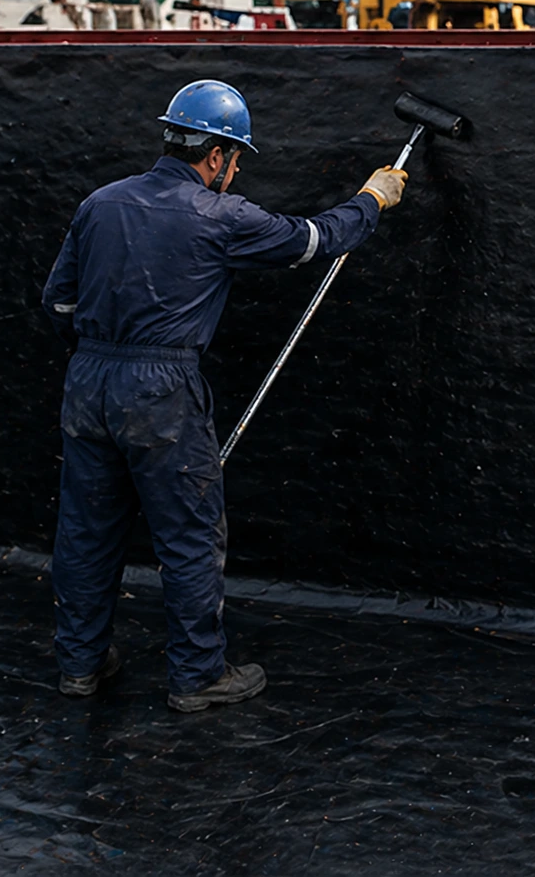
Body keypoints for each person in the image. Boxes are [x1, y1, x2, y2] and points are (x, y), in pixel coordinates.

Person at [41, 80, 408, 713]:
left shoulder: (99, 204)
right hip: (161, 389)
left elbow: (58, 304)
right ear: (215, 154)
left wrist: (100, 351)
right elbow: (315, 240)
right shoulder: (221, 216)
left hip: (88, 380)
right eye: (235, 160)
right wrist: (373, 199)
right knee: (187, 534)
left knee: (86, 532)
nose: (235, 174)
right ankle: (197, 675)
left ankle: (80, 664)